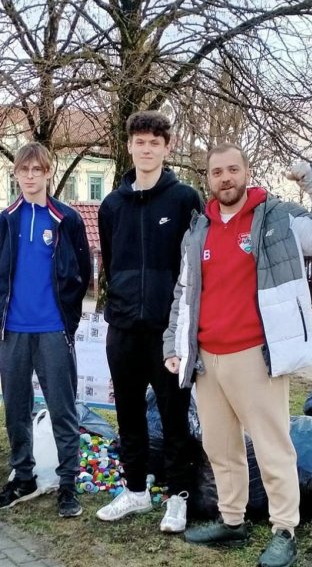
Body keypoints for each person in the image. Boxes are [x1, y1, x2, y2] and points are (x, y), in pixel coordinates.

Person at [163, 143, 312, 567]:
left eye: (233, 169)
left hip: (256, 356)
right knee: (220, 447)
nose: (225, 178)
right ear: (208, 179)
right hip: (207, 360)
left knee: (272, 447)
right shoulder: (199, 230)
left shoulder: (277, 220)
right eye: (217, 172)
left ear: (246, 172)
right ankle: (232, 521)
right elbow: (183, 293)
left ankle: (284, 530)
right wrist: (172, 344)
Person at [96, 111, 203, 533]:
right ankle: (136, 490)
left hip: (167, 332)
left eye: (154, 143)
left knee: (174, 416)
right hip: (123, 329)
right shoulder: (111, 205)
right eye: (139, 142)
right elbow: (111, 262)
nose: (146, 149)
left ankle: (178, 497)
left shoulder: (184, 199)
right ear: (129, 146)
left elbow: (194, 264)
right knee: (128, 415)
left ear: (166, 147)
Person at [0, 142, 90, 518]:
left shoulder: (67, 219)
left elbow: (82, 274)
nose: (30, 176)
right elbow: (3, 275)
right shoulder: (5, 219)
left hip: (52, 330)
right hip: (13, 331)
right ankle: (23, 477)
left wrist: (68, 322)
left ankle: (68, 484)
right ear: (15, 174)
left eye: (37, 170)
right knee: (16, 409)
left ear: (49, 172)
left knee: (62, 410)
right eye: (24, 170)